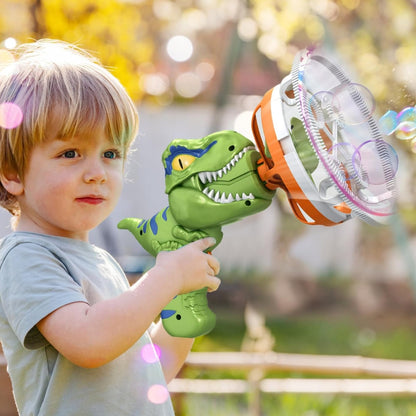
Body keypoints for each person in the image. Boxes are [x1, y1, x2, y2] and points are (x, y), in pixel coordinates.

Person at [0, 39, 221, 416]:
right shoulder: (25, 258)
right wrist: (164, 278)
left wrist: (182, 304)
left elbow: (148, 374)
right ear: (13, 173)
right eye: (70, 153)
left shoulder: (100, 262)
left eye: (110, 154)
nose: (96, 174)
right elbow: (90, 342)